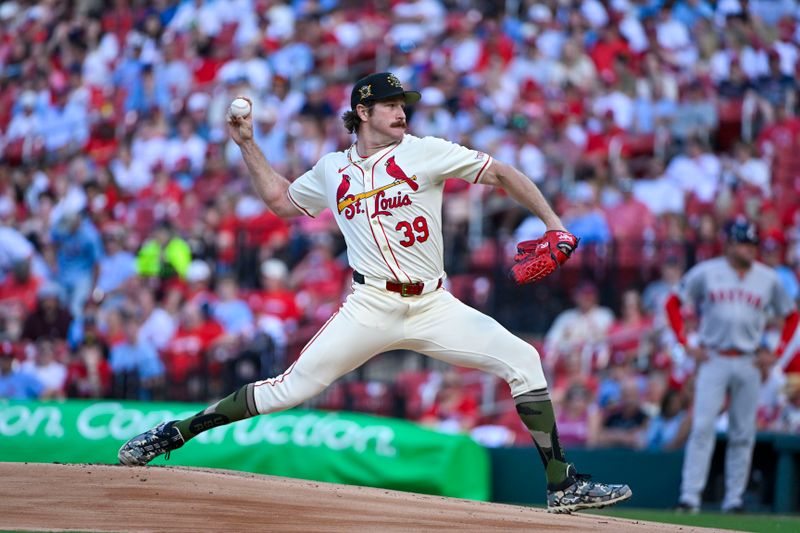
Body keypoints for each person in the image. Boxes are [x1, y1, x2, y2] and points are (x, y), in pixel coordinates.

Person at [118, 72, 631, 513]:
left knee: (524, 360)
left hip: (433, 304)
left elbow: (499, 172)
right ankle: (176, 433)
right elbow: (280, 202)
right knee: (289, 390)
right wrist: (247, 143)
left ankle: (562, 486)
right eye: (390, 104)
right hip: (370, 304)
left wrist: (553, 224)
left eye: (403, 104)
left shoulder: (426, 152)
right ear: (362, 111)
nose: (401, 111)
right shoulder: (331, 170)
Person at [665, 219, 799, 513]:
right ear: (729, 244)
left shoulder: (768, 278)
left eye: (753, 244)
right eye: (743, 243)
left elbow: (791, 315)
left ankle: (734, 499)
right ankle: (689, 497)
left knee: (743, 433)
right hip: (714, 357)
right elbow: (673, 302)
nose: (749, 249)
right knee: (701, 428)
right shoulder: (708, 271)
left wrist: (776, 352)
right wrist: (686, 343)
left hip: (750, 360)